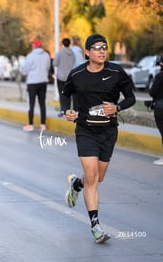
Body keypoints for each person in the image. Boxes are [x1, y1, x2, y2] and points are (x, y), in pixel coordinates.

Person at [62, 33, 136, 244]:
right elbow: (65, 93)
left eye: (104, 47)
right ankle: (95, 225)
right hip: (85, 130)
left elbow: (131, 97)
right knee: (92, 177)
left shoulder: (116, 71)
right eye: (97, 47)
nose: (102, 51)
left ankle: (77, 185)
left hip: (108, 131)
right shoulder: (77, 74)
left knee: (97, 177)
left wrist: (118, 107)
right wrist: (67, 110)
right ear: (87, 52)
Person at [21, 38, 51, 131]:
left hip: (32, 82)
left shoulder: (30, 56)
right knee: (42, 103)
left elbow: (25, 69)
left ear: (34, 46)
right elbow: (48, 67)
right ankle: (43, 124)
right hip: (43, 81)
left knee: (31, 103)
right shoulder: (46, 55)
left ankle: (30, 124)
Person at [53, 38, 75, 117]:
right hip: (70, 77)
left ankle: (63, 110)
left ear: (62, 44)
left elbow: (55, 63)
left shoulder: (60, 52)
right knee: (68, 94)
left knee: (62, 94)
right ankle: (68, 111)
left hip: (61, 77)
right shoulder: (72, 53)